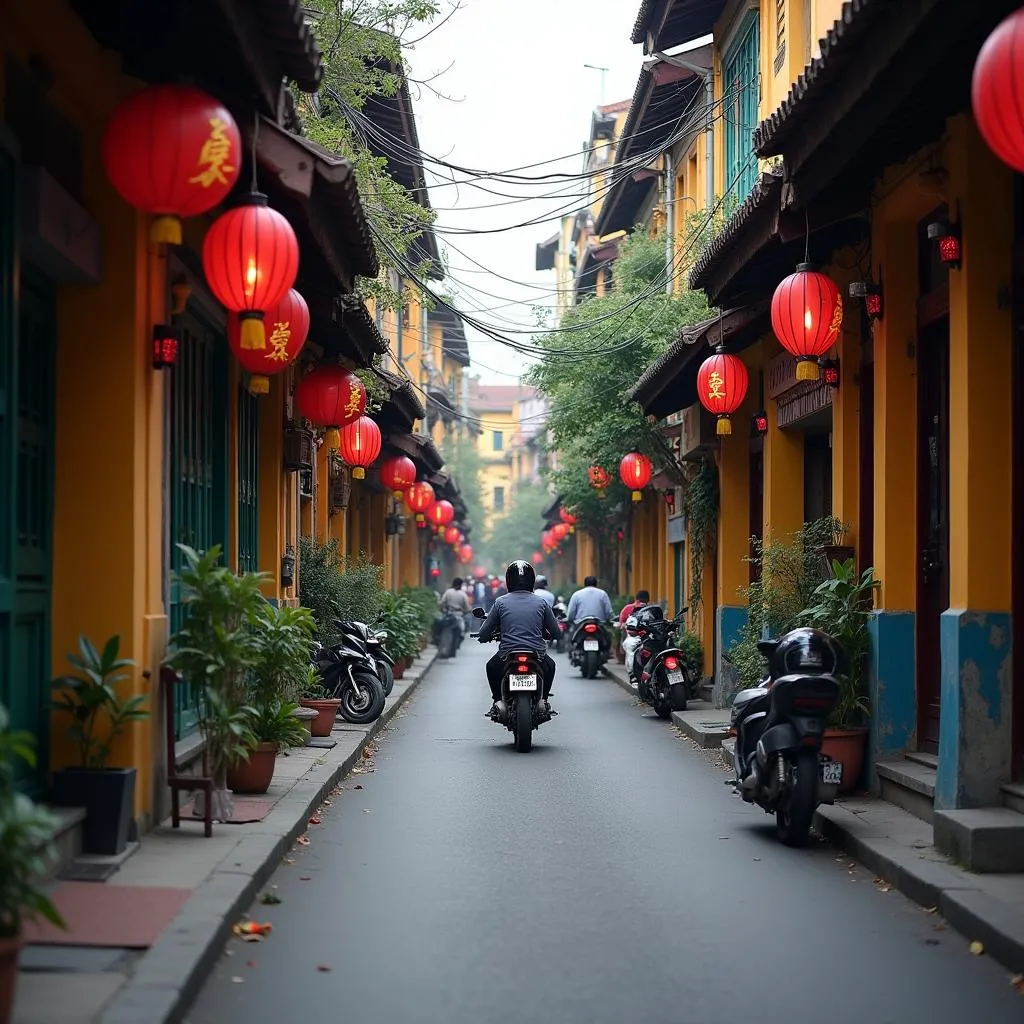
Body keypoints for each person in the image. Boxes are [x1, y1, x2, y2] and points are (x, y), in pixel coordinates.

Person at [476, 560, 560, 717]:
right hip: (537, 653)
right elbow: (556, 631)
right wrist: (553, 635)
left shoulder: (500, 602)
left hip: (508, 653)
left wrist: (482, 637)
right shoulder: (542, 602)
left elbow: (485, 632)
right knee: (551, 666)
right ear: (531, 580)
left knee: (491, 667)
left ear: (508, 580)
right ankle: (543, 700)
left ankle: (498, 701)